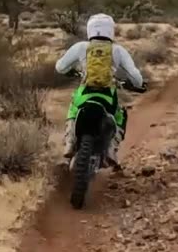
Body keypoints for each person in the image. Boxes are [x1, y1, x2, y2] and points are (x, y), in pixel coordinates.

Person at [55, 13, 145, 167]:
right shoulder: (117, 50)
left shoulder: (81, 47)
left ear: (90, 29)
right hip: (107, 96)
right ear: (111, 30)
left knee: (73, 108)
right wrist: (137, 85)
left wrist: (72, 72)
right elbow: (136, 77)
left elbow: (60, 67)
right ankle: (111, 149)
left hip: (85, 93)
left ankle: (69, 142)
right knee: (120, 115)